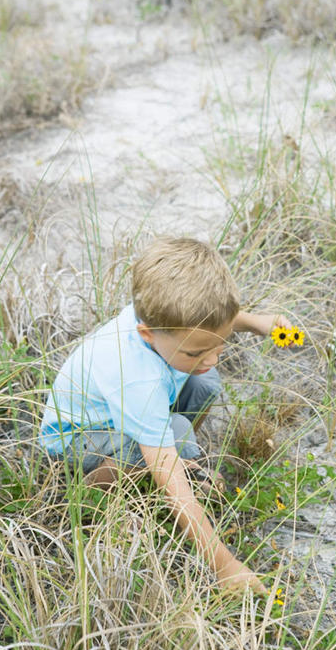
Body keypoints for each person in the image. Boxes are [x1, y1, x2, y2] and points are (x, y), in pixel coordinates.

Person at [40, 237, 293, 595]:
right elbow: (167, 472)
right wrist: (225, 566)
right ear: (147, 334)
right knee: (174, 433)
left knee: (205, 383)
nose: (211, 357)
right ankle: (92, 491)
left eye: (218, 345)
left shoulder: (169, 322)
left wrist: (261, 324)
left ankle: (165, 452)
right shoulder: (136, 375)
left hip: (133, 408)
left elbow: (213, 321)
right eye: (195, 352)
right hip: (76, 440)